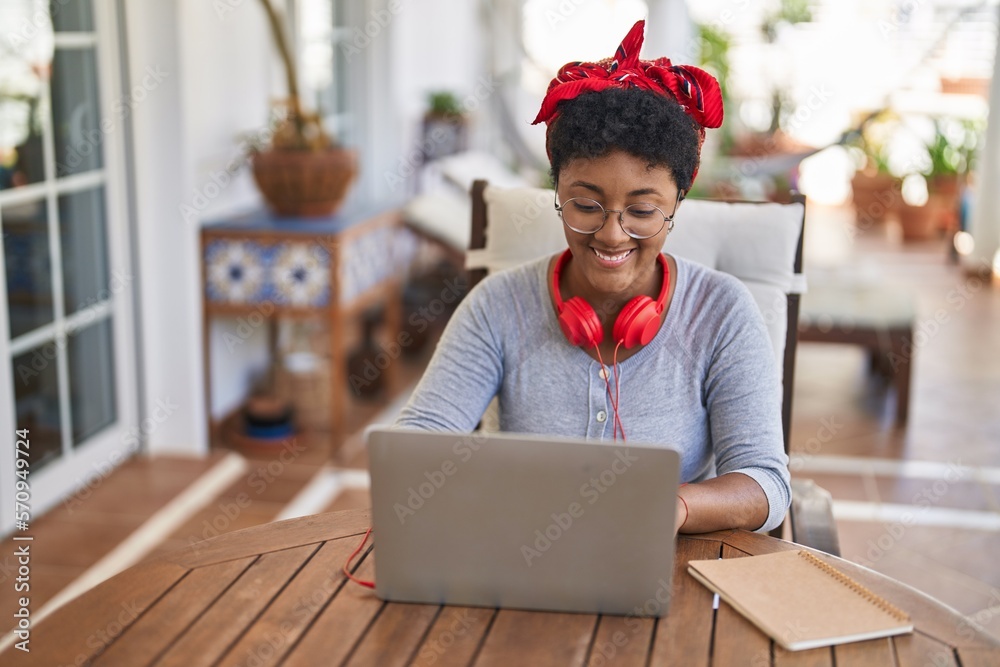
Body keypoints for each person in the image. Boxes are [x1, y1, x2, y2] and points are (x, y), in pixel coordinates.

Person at [395, 20, 791, 534]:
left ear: (676, 206)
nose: (611, 235)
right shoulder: (497, 306)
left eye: (643, 211)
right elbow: (419, 444)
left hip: (669, 569)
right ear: (557, 193)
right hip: (520, 558)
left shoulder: (722, 311)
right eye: (586, 205)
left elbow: (766, 483)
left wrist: (677, 506)